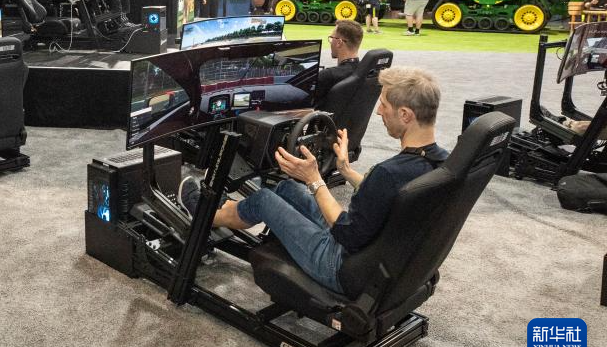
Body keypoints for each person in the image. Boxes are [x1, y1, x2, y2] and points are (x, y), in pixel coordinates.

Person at [178, 67, 448, 294]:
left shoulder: (388, 173)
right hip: (378, 256)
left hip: (342, 265)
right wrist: (344, 169)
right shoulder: (440, 162)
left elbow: (346, 232)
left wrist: (314, 179)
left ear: (405, 115)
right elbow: (391, 196)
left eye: (384, 105)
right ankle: (227, 209)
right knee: (287, 187)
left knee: (264, 199)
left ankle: (205, 216)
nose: (378, 111)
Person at [315, 20, 363, 105]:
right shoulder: (365, 72)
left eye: (331, 38)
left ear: (339, 42)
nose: (330, 42)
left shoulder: (327, 76)